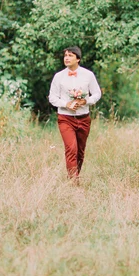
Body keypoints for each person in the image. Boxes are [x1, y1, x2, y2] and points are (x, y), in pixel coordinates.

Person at [48, 46, 101, 181]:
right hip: (65, 118)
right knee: (71, 149)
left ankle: (76, 175)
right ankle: (73, 182)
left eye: (70, 55)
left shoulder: (88, 75)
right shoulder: (58, 76)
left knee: (80, 151)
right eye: (65, 55)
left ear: (78, 59)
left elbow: (97, 93)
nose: (66, 58)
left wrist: (86, 101)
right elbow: (52, 97)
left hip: (84, 118)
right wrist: (66, 104)